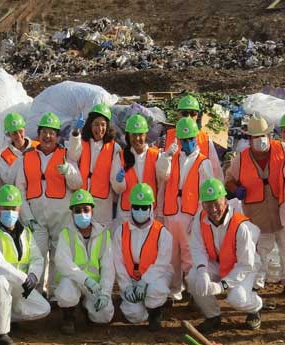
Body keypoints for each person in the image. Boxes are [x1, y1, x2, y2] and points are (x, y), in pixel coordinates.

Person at [0, 184, 51, 345]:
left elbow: (37, 258)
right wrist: (24, 278)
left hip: (16, 285)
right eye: (5, 208)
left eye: (13, 208)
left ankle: (1, 315)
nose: (10, 212)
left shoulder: (26, 233)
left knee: (43, 308)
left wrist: (33, 276)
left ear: (19, 209)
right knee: (0, 282)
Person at [15, 112, 81, 296]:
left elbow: (77, 184)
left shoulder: (66, 156)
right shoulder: (26, 158)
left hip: (61, 216)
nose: (48, 136)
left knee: (59, 256)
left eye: (52, 132)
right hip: (36, 218)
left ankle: (55, 292)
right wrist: (27, 217)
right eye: (44, 132)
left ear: (58, 136)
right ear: (38, 134)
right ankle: (36, 292)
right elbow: (19, 189)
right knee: (37, 255)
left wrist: (68, 171)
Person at [187, 178, 263, 333]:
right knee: (194, 278)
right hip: (218, 263)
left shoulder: (240, 225)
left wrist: (222, 286)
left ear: (225, 201)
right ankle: (213, 316)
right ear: (202, 204)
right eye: (208, 204)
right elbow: (197, 247)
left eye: (216, 203)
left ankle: (255, 307)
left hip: (243, 267)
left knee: (237, 298)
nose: (213, 209)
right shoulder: (199, 219)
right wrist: (202, 271)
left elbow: (245, 264)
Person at [224, 114, 285, 291]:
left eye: (263, 136)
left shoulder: (282, 150)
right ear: (250, 139)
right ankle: (257, 285)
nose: (260, 140)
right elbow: (228, 180)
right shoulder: (240, 159)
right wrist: (236, 190)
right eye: (255, 137)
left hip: (281, 209)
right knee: (260, 252)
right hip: (257, 213)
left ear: (269, 135)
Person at [159, 117, 215, 304]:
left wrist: (200, 217)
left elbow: (207, 192)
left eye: (190, 139)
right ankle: (174, 291)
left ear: (196, 138)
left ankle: (193, 292)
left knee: (190, 256)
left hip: (191, 215)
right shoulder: (173, 157)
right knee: (171, 255)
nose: (187, 143)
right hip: (172, 213)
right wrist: (166, 156)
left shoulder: (203, 162)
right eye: (184, 140)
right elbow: (162, 175)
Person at [112, 183, 173, 331]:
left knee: (154, 291)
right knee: (134, 315)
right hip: (131, 278)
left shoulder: (162, 233)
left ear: (151, 208)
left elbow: (162, 263)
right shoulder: (120, 231)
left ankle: (155, 312)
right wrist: (126, 287)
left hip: (157, 276)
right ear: (131, 208)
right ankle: (143, 305)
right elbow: (118, 262)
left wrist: (145, 282)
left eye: (144, 207)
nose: (140, 211)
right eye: (137, 207)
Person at [54, 189, 115, 334]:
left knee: (104, 315)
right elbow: (63, 263)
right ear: (72, 213)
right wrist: (85, 280)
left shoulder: (104, 234)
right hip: (73, 281)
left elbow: (108, 268)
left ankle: (86, 306)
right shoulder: (65, 233)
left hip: (95, 285)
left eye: (85, 210)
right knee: (66, 292)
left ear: (92, 211)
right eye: (78, 210)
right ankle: (69, 317)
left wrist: (105, 292)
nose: (82, 214)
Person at [67, 104, 122, 225]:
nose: (100, 128)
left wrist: (119, 179)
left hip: (103, 204)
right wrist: (75, 133)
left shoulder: (114, 148)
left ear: (107, 127)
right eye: (96, 124)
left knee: (101, 239)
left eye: (103, 125)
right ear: (90, 126)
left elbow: (116, 179)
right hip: (82, 200)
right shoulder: (82, 142)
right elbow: (72, 155)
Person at [112, 114, 168, 221]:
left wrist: (159, 212)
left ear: (146, 135)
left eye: (140, 134)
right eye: (133, 135)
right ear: (128, 135)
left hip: (150, 211)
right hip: (126, 213)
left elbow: (161, 187)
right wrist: (119, 181)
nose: (137, 138)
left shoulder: (156, 156)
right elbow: (117, 189)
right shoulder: (120, 156)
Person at [162, 95, 223, 180]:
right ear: (178, 114)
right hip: (173, 191)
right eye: (185, 113)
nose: (188, 117)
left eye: (193, 114)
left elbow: (216, 171)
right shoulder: (166, 138)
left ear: (197, 116)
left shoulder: (205, 140)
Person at [0, 112, 39, 185]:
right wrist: (20, 159)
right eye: (14, 133)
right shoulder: (5, 155)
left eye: (20, 131)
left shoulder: (37, 146)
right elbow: (7, 181)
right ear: (9, 135)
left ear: (24, 129)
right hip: (19, 193)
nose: (18, 136)